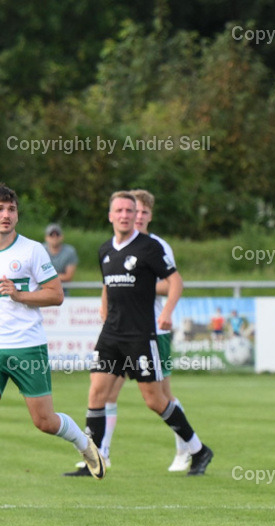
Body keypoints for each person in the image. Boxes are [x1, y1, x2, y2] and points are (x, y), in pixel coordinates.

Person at [65, 191, 212, 477]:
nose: (124, 215)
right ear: (110, 215)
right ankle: (93, 460)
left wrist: (167, 312)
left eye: (129, 211)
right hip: (111, 335)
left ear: (136, 216)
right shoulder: (104, 249)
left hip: (140, 335)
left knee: (155, 400)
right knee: (96, 392)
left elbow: (176, 282)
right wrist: (104, 310)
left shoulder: (149, 247)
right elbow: (108, 285)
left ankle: (198, 449)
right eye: (118, 210)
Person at [0, 184, 106, 507]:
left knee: (44, 422)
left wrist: (19, 295)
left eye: (12, 209)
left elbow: (56, 294)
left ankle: (84, 443)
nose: (7, 215)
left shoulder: (32, 251)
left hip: (27, 347)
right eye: (1, 209)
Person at [42, 223, 78, 295]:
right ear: (46, 237)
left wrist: (46, 277)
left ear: (62, 237)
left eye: (57, 235)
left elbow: (68, 277)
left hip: (62, 293)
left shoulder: (70, 252)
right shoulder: (40, 250)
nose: (54, 237)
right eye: (51, 235)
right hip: (42, 292)